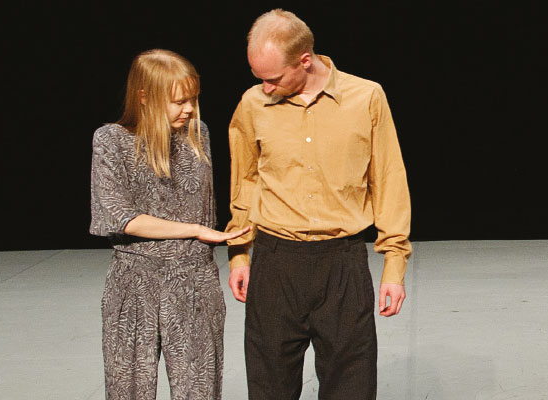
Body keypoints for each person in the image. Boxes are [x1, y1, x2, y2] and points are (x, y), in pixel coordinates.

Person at [225, 9, 412, 399]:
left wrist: (394, 266)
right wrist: (239, 253)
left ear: (305, 60)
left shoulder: (366, 97)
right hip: (275, 264)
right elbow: (245, 181)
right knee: (269, 389)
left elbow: (388, 179)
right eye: (259, 78)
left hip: (341, 263)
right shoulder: (252, 103)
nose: (266, 87)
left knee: (351, 387)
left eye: (274, 78)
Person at [89, 49, 249, 400]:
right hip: (134, 281)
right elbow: (120, 216)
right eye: (178, 101)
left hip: (194, 279)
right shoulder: (111, 141)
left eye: (193, 99)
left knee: (200, 389)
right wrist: (194, 230)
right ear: (144, 97)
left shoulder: (197, 135)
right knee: (128, 390)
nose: (189, 109)